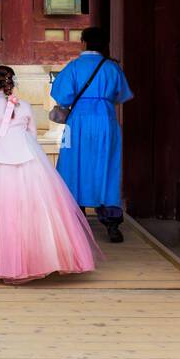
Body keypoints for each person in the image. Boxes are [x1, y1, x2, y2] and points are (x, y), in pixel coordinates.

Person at [0, 65, 97, 283]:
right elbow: (31, 136)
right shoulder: (25, 107)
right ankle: (37, 257)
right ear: (13, 83)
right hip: (27, 159)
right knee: (32, 209)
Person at [50, 27, 134, 243]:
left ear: (83, 42)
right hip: (106, 121)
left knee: (72, 166)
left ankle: (75, 218)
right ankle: (112, 223)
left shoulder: (74, 67)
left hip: (77, 123)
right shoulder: (112, 68)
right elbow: (121, 95)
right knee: (106, 167)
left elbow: (62, 96)